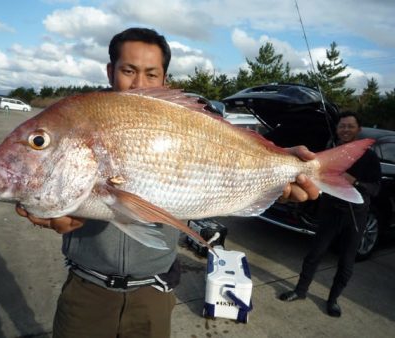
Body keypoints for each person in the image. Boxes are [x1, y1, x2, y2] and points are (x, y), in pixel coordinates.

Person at [16, 27, 321, 338]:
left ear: (164, 80)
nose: (138, 83)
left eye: (151, 74)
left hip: (154, 293)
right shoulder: (79, 118)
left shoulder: (186, 121)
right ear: (110, 71)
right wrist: (37, 205)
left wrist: (277, 173)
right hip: (86, 288)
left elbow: (224, 173)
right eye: (128, 70)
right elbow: (41, 176)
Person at [278, 111, 381, 318]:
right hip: (330, 211)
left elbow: (376, 189)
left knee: (346, 261)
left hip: (355, 215)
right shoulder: (329, 150)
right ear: (336, 129)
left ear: (358, 129)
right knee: (314, 254)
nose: (345, 130)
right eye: (342, 126)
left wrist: (354, 182)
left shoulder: (369, 156)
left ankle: (333, 300)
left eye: (350, 126)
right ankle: (300, 291)